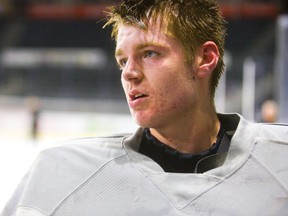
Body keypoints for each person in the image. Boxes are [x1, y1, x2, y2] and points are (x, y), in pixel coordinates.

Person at [1, 0, 288, 215]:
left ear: (205, 59)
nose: (128, 73)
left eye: (149, 53)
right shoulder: (58, 173)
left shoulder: (281, 161)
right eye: (123, 60)